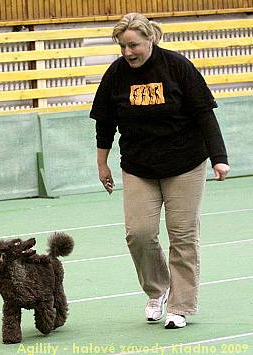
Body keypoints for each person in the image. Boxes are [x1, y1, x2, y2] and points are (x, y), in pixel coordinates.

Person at [90, 13, 230, 329]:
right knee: (138, 233)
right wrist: (102, 164)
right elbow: (104, 124)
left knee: (182, 236)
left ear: (150, 38)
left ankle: (181, 307)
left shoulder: (177, 67)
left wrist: (218, 157)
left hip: (185, 164)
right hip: (139, 166)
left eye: (134, 45)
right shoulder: (116, 74)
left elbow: (205, 115)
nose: (128, 53)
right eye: (123, 46)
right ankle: (158, 290)